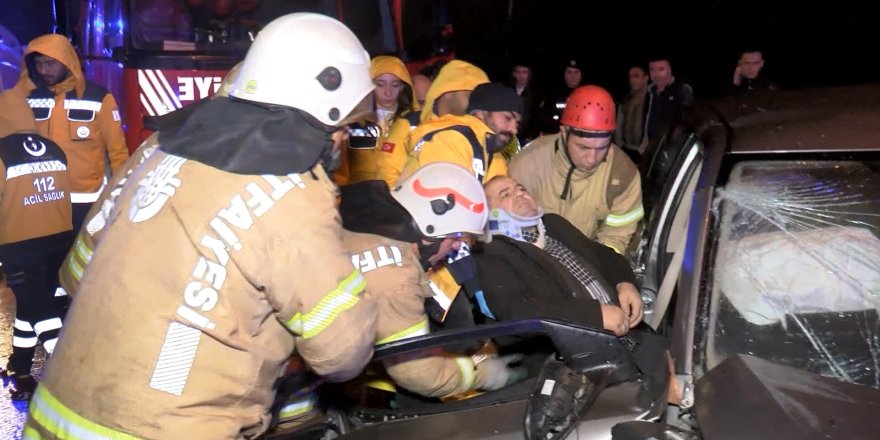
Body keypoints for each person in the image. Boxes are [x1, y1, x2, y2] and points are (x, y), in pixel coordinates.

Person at [24, 13, 379, 439]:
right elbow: (342, 353)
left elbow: (78, 274)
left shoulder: (158, 148)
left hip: (54, 417)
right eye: (344, 130)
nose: (343, 143)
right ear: (328, 113)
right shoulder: (295, 194)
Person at [338, 163, 527, 401]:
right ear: (431, 229)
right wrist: (484, 374)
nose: (459, 246)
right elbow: (420, 372)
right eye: (457, 237)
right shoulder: (396, 277)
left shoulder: (360, 222)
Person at [58, 62, 244, 297]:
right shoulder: (247, 158)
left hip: (103, 292)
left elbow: (108, 211)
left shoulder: (159, 140)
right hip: (164, 294)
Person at [477, 175, 643, 335]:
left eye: (521, 188)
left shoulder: (554, 224)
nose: (520, 193)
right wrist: (594, 316)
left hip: (628, 330)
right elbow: (517, 310)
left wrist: (625, 282)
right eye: (505, 194)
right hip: (578, 351)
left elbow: (604, 255)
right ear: (491, 215)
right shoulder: (492, 252)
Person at [15, 34, 129, 234]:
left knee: (83, 259)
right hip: (41, 199)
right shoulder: (27, 98)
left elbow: (117, 153)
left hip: (86, 201)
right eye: (39, 64)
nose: (43, 70)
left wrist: (120, 196)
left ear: (66, 62)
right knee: (46, 260)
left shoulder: (98, 98)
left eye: (50, 63)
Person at [510, 85, 644, 255]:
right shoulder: (527, 164)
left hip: (587, 262)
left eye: (602, 148)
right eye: (583, 147)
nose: (592, 159)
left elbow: (616, 237)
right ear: (564, 134)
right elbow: (509, 230)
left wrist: (596, 267)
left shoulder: (623, 174)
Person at [0, 88, 72, 402]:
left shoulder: (2, 152)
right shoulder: (54, 148)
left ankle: (73, 373)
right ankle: (21, 370)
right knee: (30, 309)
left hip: (20, 245)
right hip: (58, 241)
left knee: (42, 313)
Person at [375, 59, 488, 187]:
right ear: (448, 93)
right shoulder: (410, 124)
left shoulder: (481, 132)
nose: (479, 104)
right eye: (471, 96)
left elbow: (494, 184)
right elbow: (387, 176)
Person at [399, 82, 521, 185]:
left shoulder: (491, 153)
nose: (514, 129)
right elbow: (445, 203)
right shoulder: (451, 139)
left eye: (517, 123)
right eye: (508, 118)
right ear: (480, 113)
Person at [333, 55, 419, 186]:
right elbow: (339, 167)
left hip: (400, 196)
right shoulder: (353, 121)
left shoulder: (412, 121)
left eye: (395, 85)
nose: (388, 92)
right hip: (360, 198)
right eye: (380, 84)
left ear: (402, 87)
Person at [645, 55, 694, 143]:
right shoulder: (647, 92)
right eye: (652, 70)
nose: (656, 74)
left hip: (672, 146)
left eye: (661, 69)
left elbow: (687, 119)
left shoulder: (682, 90)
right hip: (649, 145)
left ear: (670, 69)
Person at [536, 58, 584, 135]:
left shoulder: (586, 95)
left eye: (576, 72)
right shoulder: (552, 96)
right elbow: (543, 122)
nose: (573, 76)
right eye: (569, 72)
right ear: (564, 74)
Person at [614, 64, 651, 163]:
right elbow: (618, 123)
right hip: (624, 149)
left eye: (636, 76)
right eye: (630, 76)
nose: (632, 80)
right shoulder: (626, 99)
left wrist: (642, 150)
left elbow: (649, 126)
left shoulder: (651, 99)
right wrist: (620, 145)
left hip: (643, 153)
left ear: (646, 78)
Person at [507, 60, 541, 144]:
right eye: (518, 72)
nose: (521, 75)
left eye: (524, 72)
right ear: (514, 73)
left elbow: (537, 117)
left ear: (529, 74)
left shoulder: (536, 93)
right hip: (510, 134)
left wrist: (532, 135)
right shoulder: (508, 90)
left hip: (527, 136)